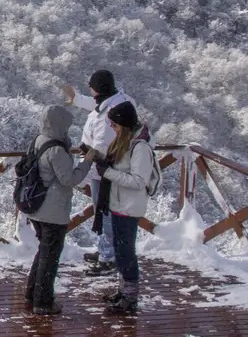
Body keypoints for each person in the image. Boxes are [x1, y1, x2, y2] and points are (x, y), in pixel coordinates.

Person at [61, 70, 136, 275]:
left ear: (97, 88)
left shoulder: (110, 112)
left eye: (91, 86)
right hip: (107, 168)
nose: (89, 89)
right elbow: (96, 106)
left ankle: (109, 258)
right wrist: (76, 99)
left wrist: (88, 154)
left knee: (107, 212)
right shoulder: (116, 100)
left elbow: (103, 145)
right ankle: (106, 250)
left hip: (106, 169)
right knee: (104, 211)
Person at [23, 106, 96, 316]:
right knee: (50, 255)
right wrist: (87, 161)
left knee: (44, 251)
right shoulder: (57, 149)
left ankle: (32, 293)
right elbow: (69, 179)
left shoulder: (38, 140)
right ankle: (43, 302)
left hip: (35, 205)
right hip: (53, 210)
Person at [101, 102, 159, 316]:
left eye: (114, 125)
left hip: (129, 206)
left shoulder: (140, 147)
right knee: (120, 250)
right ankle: (123, 290)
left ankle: (131, 297)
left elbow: (138, 181)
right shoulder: (126, 142)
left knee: (126, 252)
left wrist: (107, 172)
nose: (112, 128)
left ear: (124, 126)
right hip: (118, 203)